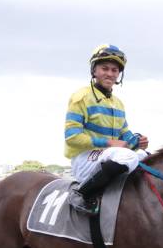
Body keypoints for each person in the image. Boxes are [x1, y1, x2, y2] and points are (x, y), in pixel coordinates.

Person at [64, 44, 149, 214]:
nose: (110, 73)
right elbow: (72, 137)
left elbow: (125, 137)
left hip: (109, 157)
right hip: (84, 158)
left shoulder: (118, 103)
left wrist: (138, 141)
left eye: (114, 70)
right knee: (125, 156)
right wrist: (109, 143)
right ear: (94, 70)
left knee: (146, 156)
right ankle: (82, 194)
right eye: (104, 68)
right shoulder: (81, 97)